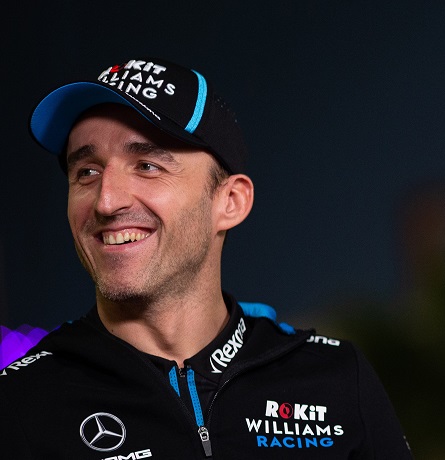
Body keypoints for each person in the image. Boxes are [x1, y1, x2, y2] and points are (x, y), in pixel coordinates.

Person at [0, 57, 412, 459]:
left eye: (147, 166)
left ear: (230, 202)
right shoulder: (21, 402)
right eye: (87, 172)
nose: (106, 201)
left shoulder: (336, 378)